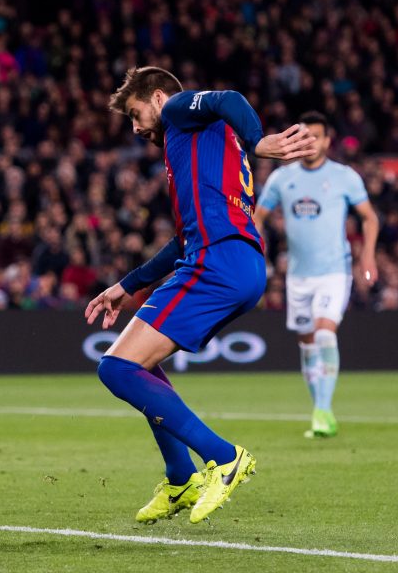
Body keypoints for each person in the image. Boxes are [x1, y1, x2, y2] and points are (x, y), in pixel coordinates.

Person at [85, 67, 318, 525]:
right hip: (232, 261)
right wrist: (126, 286)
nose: (135, 128)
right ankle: (180, 478)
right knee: (139, 364)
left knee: (115, 368)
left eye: (134, 113)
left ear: (157, 98)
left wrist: (258, 141)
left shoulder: (176, 111)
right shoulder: (196, 144)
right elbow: (181, 241)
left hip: (218, 261)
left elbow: (228, 98)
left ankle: (224, 457)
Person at [253, 111, 379, 439]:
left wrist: (367, 255)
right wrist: (255, 251)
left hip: (334, 271)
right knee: (308, 344)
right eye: (304, 136)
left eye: (316, 137)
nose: (310, 143)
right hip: (298, 275)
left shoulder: (344, 176)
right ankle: (321, 411)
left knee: (324, 333)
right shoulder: (282, 178)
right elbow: (258, 217)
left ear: (327, 140)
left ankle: (322, 411)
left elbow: (369, 217)